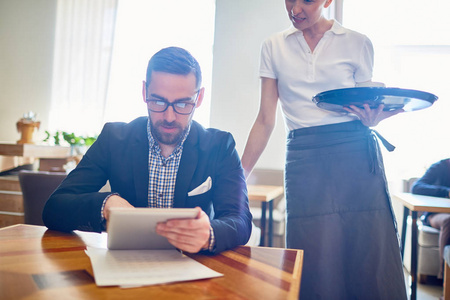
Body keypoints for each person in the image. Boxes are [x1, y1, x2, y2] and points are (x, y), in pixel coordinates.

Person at [241, 0, 406, 299]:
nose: (295, 9)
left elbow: (367, 110)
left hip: (355, 156)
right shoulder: (273, 46)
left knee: (367, 252)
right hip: (305, 159)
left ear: (328, 0)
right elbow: (265, 120)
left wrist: (373, 119)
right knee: (313, 256)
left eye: (307, 1)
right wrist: (238, 178)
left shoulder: (358, 43)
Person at [43, 46, 252, 254]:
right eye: (158, 101)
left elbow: (240, 221)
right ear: (144, 92)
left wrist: (209, 234)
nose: (169, 117)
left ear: (199, 98)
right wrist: (105, 203)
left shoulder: (220, 146)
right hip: (125, 263)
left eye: (182, 104)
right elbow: (54, 208)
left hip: (194, 264)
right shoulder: (114, 139)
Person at [412, 158, 450, 279]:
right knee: (448, 221)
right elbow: (416, 187)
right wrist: (446, 191)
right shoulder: (439, 167)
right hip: (435, 215)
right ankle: (444, 277)